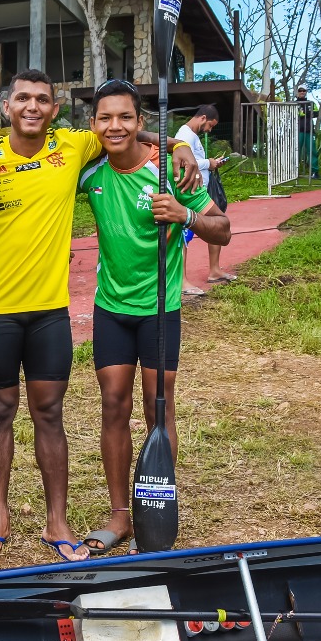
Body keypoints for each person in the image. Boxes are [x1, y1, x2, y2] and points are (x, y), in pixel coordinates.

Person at [0, 69, 203, 563]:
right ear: (6, 106)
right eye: (22, 98)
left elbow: (123, 130)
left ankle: (58, 522)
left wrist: (178, 141)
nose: (32, 106)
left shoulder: (73, 147)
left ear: (54, 109)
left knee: (50, 414)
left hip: (51, 313)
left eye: (43, 99)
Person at [79, 80, 230, 555]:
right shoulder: (89, 171)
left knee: (157, 408)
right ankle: (121, 515)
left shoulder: (167, 173)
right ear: (94, 124)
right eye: (106, 117)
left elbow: (222, 230)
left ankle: (156, 505)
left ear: (140, 122)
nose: (115, 126)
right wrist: (180, 140)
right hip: (111, 309)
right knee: (113, 405)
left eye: (125, 117)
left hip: (160, 311)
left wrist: (185, 214)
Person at [174, 104, 232, 289]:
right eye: (210, 125)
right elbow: (182, 161)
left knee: (216, 224)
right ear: (203, 118)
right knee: (183, 234)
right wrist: (210, 162)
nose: (209, 130)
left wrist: (211, 164)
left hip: (200, 193)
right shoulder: (184, 134)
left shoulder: (192, 136)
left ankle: (214, 270)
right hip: (189, 193)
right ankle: (181, 281)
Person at [295, 85, 320, 179]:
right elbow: (296, 114)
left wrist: (305, 113)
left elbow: (316, 113)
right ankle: (294, 171)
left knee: (312, 151)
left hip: (309, 130)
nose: (302, 92)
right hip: (297, 130)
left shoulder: (311, 103)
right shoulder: (294, 104)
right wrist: (307, 113)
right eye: (300, 90)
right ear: (297, 92)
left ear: (306, 92)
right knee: (296, 151)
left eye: (304, 90)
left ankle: (315, 171)